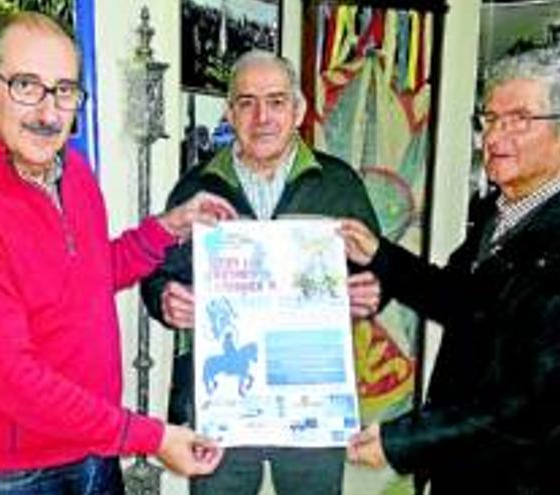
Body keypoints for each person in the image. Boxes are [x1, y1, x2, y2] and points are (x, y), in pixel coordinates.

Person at [0, 11, 234, 494]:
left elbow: (90, 274)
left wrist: (168, 228)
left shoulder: (72, 170)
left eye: (64, 90)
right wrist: (151, 436)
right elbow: (16, 379)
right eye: (26, 85)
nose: (50, 112)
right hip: (14, 477)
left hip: (92, 447)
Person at [341, 48, 560, 494]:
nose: (495, 137)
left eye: (520, 119)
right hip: (468, 469)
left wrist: (404, 440)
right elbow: (462, 300)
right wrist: (380, 254)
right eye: (490, 118)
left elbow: (537, 403)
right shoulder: (506, 212)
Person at [140, 49, 382, 495]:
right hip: (224, 409)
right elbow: (156, 274)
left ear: (298, 109)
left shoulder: (338, 184)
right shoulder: (196, 186)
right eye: (247, 102)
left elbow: (376, 268)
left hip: (309, 396)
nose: (262, 117)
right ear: (230, 112)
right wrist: (165, 298)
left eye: (276, 101)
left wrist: (371, 292)